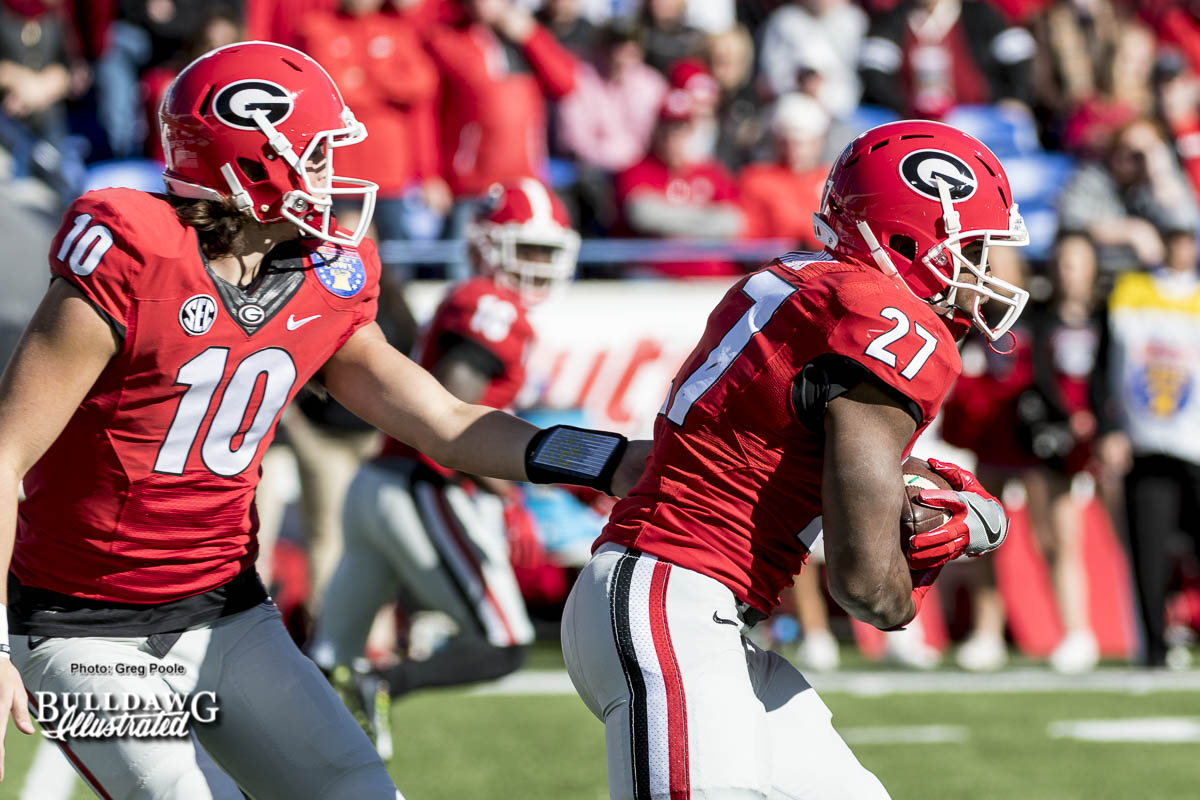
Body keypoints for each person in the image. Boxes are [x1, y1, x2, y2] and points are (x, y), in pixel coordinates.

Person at [0, 42, 644, 797]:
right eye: (314, 152)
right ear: (251, 162)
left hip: (227, 612)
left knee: (362, 791)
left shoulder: (324, 277)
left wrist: (604, 458)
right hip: (84, 624)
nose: (331, 173)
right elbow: (6, 451)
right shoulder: (134, 255)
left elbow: (442, 418)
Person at [561, 119, 1028, 799]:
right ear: (914, 236)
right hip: (673, 598)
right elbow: (867, 586)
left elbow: (792, 450)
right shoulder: (888, 323)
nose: (984, 271)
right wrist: (922, 561)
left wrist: (913, 496)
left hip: (678, 603)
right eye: (974, 247)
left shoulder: (804, 284)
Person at [309, 176, 580, 745]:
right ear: (486, 243)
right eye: (526, 248)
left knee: (327, 659)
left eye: (546, 252)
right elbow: (457, 415)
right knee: (502, 644)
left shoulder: (478, 302)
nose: (536, 264)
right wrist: (511, 493)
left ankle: (307, 751)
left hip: (380, 484)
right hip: (422, 484)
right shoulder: (489, 305)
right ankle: (381, 683)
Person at [1094, 226, 1200, 668]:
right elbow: (1102, 369)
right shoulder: (1129, 291)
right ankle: (1154, 647)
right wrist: (1108, 427)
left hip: (1194, 446)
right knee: (1148, 550)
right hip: (1146, 442)